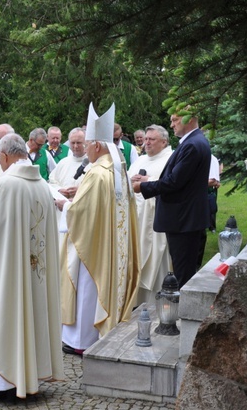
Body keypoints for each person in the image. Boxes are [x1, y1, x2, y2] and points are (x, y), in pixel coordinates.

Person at [0, 133, 64, 400]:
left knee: (3, 315)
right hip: (35, 271)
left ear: (5, 156)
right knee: (28, 314)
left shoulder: (6, 184)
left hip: (7, 272)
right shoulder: (41, 183)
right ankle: (28, 375)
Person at [56, 103, 140, 355]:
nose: (86, 150)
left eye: (88, 143)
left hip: (92, 245)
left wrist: (64, 205)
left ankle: (81, 341)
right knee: (95, 288)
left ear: (96, 145)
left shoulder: (97, 173)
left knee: (86, 289)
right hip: (110, 243)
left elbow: (81, 212)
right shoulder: (115, 169)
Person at [132, 112, 211, 288]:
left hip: (184, 218)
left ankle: (182, 312)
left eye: (175, 120)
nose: (172, 125)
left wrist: (142, 187)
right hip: (185, 217)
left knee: (183, 273)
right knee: (182, 269)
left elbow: (174, 182)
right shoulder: (193, 142)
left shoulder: (192, 145)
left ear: (189, 119)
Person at [128, 125, 173, 303]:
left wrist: (148, 181)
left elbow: (171, 184)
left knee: (158, 260)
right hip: (137, 218)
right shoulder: (140, 161)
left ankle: (159, 302)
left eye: (151, 139)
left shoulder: (170, 159)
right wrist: (131, 180)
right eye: (145, 139)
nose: (146, 143)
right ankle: (136, 302)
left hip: (157, 220)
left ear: (164, 141)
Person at [48, 127, 88, 202]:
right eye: (73, 143)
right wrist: (59, 190)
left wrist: (81, 190)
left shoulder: (92, 163)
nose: (75, 146)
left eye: (78, 143)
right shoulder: (63, 162)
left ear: (86, 142)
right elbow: (51, 182)